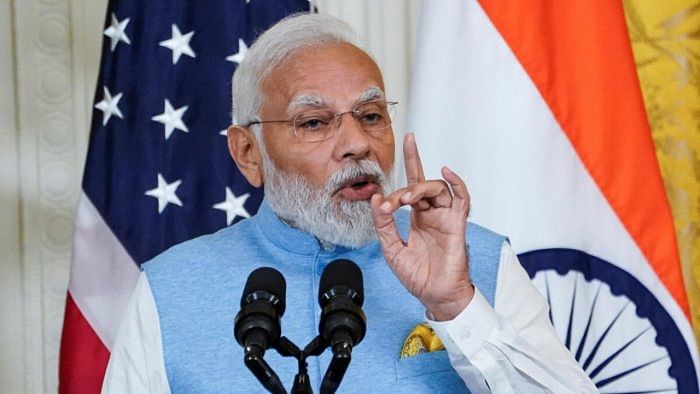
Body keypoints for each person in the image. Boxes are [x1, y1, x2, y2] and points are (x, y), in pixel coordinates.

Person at [102, 13, 596, 393]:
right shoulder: (168, 290)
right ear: (248, 154)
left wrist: (455, 305)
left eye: (371, 114)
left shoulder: (477, 261)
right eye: (314, 122)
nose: (357, 143)